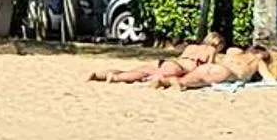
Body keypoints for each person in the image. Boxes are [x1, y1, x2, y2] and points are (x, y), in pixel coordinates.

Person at [89, 32, 226, 84]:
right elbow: (208, 69)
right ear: (218, 44)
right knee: (143, 77)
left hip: (167, 62)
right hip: (178, 68)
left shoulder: (191, 47)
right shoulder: (211, 50)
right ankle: (114, 78)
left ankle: (100, 75)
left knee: (134, 72)